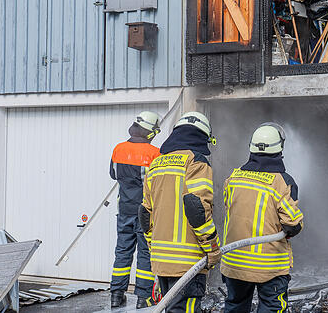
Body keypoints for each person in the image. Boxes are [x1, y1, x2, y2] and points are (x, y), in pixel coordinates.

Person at [139, 111, 221, 313]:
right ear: (202, 137)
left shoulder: (156, 163)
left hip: (161, 260)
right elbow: (197, 209)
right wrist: (212, 248)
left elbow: (145, 214)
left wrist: (153, 248)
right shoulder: (196, 162)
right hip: (188, 261)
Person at [221, 123, 304, 313]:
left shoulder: (233, 178)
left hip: (234, 261)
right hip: (269, 267)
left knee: (235, 306)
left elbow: (230, 207)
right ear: (279, 149)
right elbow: (293, 224)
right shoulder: (282, 182)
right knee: (271, 307)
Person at [109, 111, 162, 309]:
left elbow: (113, 175)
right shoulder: (154, 153)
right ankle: (143, 298)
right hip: (145, 211)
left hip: (124, 210)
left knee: (122, 251)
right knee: (145, 254)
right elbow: (157, 184)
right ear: (150, 132)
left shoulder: (118, 149)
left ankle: (116, 295)